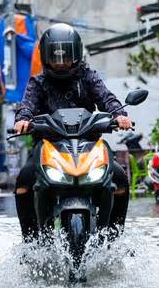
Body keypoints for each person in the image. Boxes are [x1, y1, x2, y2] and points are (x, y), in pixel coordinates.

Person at [13, 23, 133, 241]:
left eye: (66, 56)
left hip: (90, 146)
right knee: (24, 181)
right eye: (55, 57)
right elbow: (27, 105)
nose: (60, 63)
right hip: (48, 147)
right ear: (45, 56)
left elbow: (106, 97)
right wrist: (22, 120)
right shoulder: (38, 82)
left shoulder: (88, 76)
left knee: (120, 179)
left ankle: (114, 239)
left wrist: (119, 115)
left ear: (76, 54)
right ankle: (30, 242)